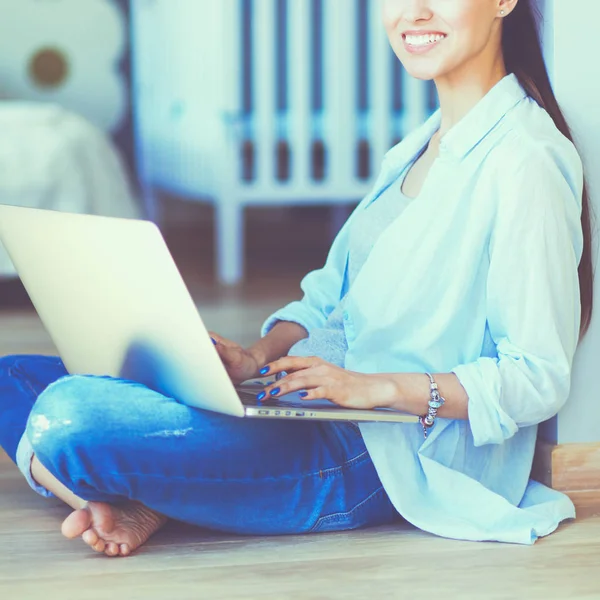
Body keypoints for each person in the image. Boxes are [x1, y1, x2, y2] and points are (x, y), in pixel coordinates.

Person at [0, 0, 593, 557]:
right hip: (302, 402)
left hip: (376, 456)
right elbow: (326, 297)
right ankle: (142, 494)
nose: (413, 12)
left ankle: (151, 494)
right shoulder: (420, 145)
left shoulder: (527, 162)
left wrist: (376, 388)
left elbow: (535, 377)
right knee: (12, 377)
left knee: (69, 414)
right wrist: (254, 360)